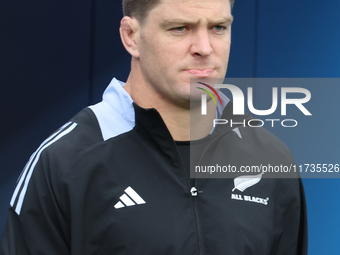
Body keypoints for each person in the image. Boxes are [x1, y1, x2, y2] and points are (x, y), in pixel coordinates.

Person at [0, 0, 307, 254]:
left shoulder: (271, 159)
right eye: (179, 28)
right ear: (131, 36)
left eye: (218, 27)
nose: (204, 47)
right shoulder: (65, 163)